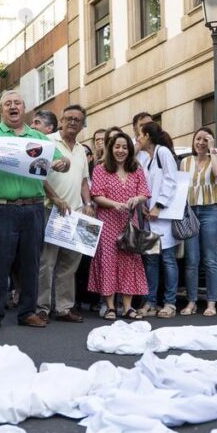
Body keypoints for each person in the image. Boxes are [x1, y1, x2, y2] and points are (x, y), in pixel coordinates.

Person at [0, 89, 69, 330]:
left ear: (24, 108)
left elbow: (63, 162)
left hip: (33, 209)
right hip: (2, 209)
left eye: (17, 103)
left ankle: (28, 312)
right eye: (7, 103)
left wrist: (62, 163)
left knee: (31, 262)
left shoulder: (39, 137)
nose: (13, 107)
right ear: (2, 109)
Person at [38, 104, 92, 322]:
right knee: (46, 262)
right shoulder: (47, 142)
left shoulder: (81, 149)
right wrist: (55, 198)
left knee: (70, 263)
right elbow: (38, 174)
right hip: (50, 209)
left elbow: (84, 181)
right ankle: (41, 307)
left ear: (82, 124)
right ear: (60, 121)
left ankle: (63, 307)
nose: (72, 122)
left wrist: (88, 203)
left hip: (75, 213)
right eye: (68, 118)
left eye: (77, 119)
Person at [88, 131, 150, 320]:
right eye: (117, 147)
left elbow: (145, 193)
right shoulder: (100, 168)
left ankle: (128, 306)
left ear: (130, 149)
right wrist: (114, 204)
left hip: (130, 221)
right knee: (108, 261)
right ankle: (110, 307)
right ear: (110, 148)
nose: (121, 150)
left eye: (124, 147)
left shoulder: (136, 168)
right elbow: (95, 195)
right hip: (107, 221)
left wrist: (135, 199)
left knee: (130, 262)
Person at [136, 121, 179, 318]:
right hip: (148, 216)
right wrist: (145, 203)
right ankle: (151, 301)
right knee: (151, 260)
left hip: (164, 215)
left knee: (168, 259)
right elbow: (143, 183)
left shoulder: (163, 153)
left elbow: (171, 180)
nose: (137, 138)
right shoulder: (145, 158)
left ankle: (170, 302)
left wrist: (159, 205)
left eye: (140, 135)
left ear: (148, 136)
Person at [180, 127, 217, 316]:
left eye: (205, 140)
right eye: (198, 139)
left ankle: (211, 302)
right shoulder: (184, 162)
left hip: (211, 210)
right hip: (190, 212)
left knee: (210, 259)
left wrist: (212, 149)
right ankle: (191, 301)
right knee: (191, 259)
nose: (200, 143)